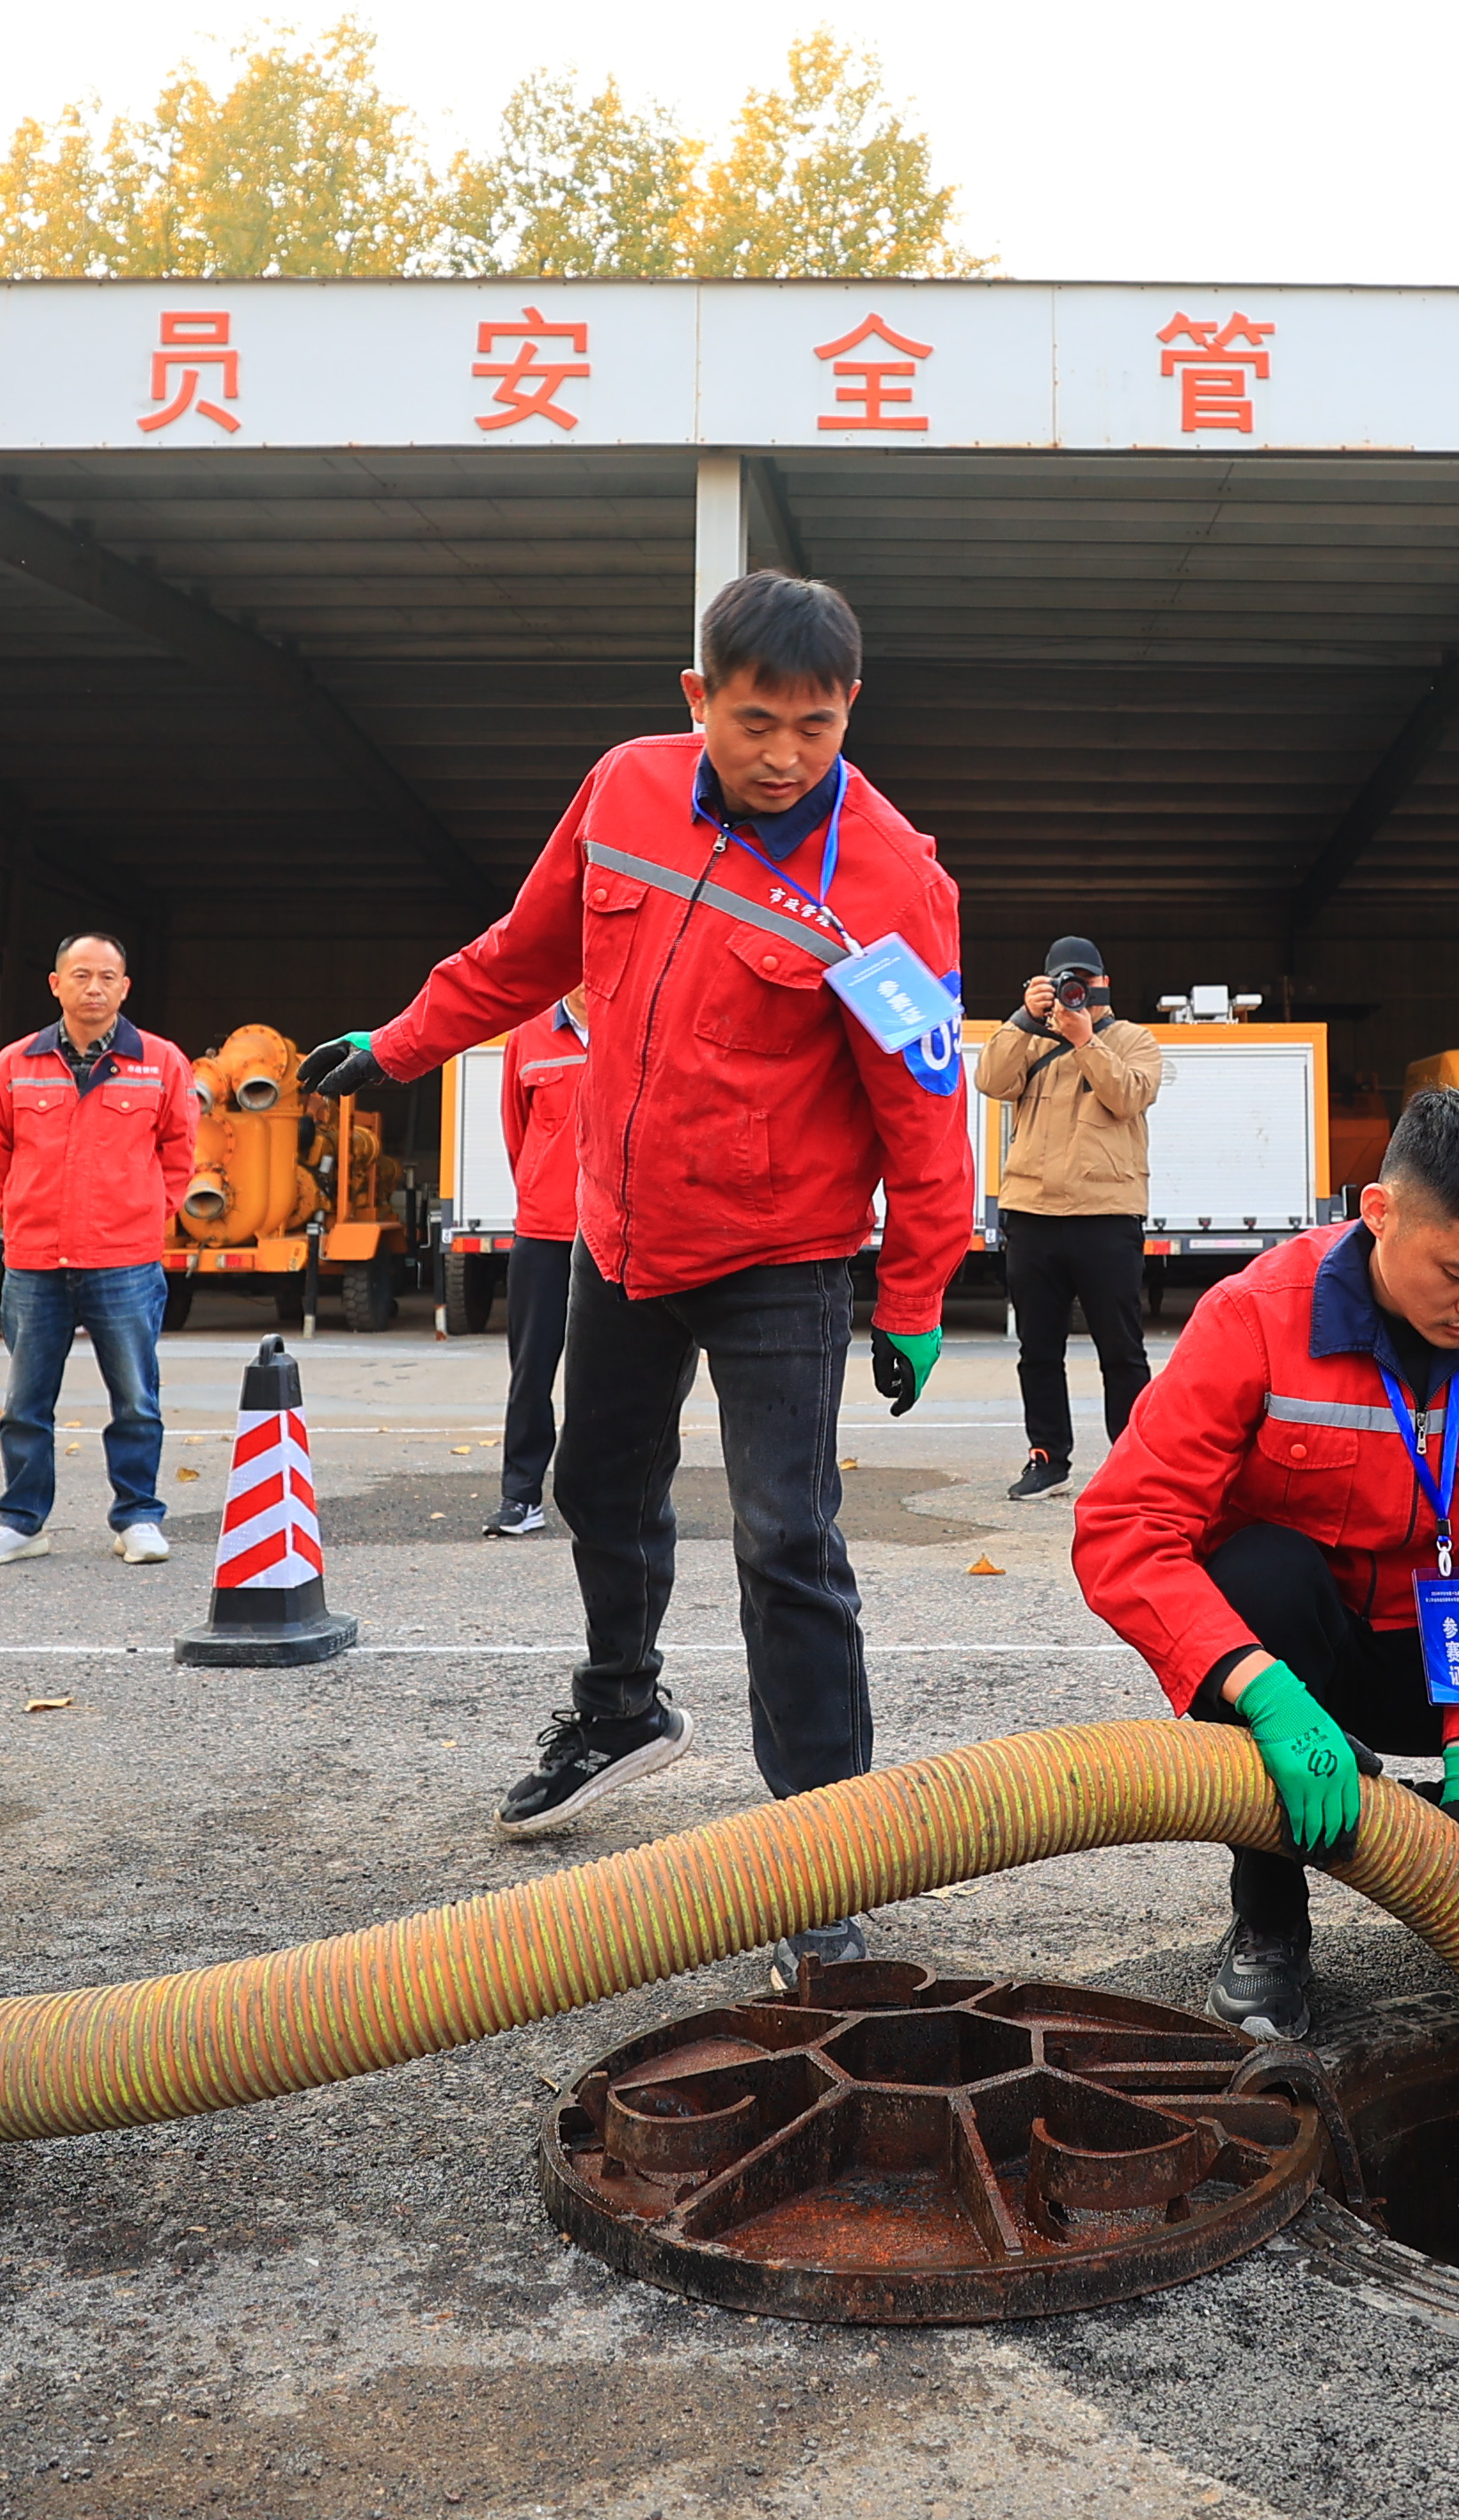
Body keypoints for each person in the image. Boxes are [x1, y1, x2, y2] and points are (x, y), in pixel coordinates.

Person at [298, 572, 968, 1976]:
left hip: (783, 1254)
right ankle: (621, 1708)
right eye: (754, 720)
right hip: (620, 1231)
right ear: (695, 699)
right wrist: (405, 1044)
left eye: (817, 725)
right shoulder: (625, 791)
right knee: (596, 1486)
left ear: (854, 711)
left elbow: (924, 1103)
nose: (785, 754)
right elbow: (526, 949)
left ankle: (824, 1855)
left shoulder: (892, 875)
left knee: (789, 1540)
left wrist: (911, 1298)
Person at [1071, 1086, 1459, 2043]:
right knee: (1259, 1576)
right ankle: (1272, 1915)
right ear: (1379, 1211)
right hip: (1293, 1663)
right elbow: (1123, 1529)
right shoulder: (1253, 1319)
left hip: (1437, 1642)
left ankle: (1445, 1863)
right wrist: (1262, 1691)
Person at [0, 932, 206, 1569]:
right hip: (36, 1262)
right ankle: (21, 1522)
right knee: (25, 1404)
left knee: (135, 1399)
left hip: (124, 1260)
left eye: (106, 977)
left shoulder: (161, 1063)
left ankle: (139, 1518)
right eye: (80, 976)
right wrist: (24, 1216)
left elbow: (180, 1154)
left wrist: (149, 1213)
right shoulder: (13, 1066)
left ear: (125, 987)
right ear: (56, 983)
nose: (93, 988)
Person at [980, 932, 1164, 1501]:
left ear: (1103, 982)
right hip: (1032, 1213)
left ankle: (1136, 1463)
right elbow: (990, 1081)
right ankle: (1047, 1457)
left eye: (1082, 979)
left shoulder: (1134, 1039)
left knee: (1121, 1349)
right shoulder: (1030, 1041)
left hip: (1107, 1215)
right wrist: (1020, 1019)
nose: (1072, 990)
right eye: (1062, 980)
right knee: (1038, 1349)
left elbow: (1130, 1096)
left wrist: (1086, 1041)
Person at [485, 993, 590, 1539]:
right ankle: (520, 1495)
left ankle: (612, 1498)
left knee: (619, 1377)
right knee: (531, 1371)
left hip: (620, 1234)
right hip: (544, 1234)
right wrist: (540, 1191)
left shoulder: (638, 1020)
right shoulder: (527, 1036)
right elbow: (516, 1131)